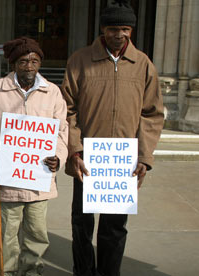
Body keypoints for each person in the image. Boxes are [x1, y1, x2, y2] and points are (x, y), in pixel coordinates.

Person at [61, 1, 164, 275]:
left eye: (125, 29)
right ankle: (83, 271)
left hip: (122, 163)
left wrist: (144, 157)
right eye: (113, 29)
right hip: (86, 159)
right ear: (102, 29)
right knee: (82, 224)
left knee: (115, 227)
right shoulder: (80, 60)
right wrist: (75, 150)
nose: (119, 35)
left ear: (131, 31)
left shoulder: (143, 64)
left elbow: (152, 114)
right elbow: (67, 109)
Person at [0, 37, 69, 276]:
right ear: (13, 64)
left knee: (37, 231)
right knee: (7, 231)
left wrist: (57, 156)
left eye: (34, 61)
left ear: (40, 64)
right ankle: (6, 271)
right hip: (8, 180)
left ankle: (32, 269)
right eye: (23, 61)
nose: (29, 66)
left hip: (39, 180)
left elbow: (61, 132)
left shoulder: (52, 92)